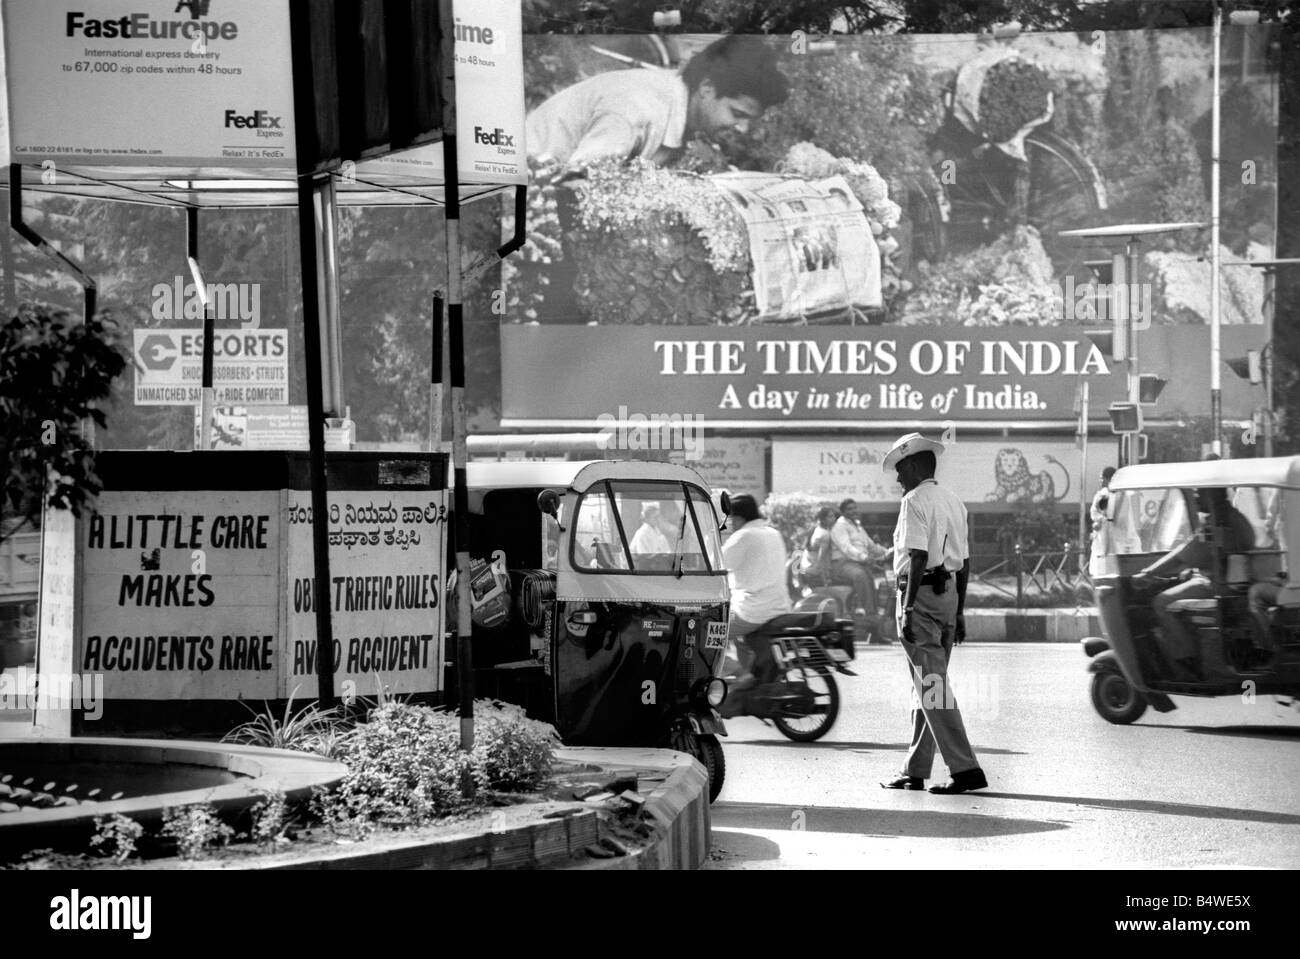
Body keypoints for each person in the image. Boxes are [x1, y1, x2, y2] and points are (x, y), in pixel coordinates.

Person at [878, 433, 987, 795]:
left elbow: (918, 556)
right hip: (949, 596)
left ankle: (965, 767)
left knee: (932, 686)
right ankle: (915, 768)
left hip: (920, 597)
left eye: (899, 470)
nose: (897, 479)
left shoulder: (913, 500)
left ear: (912, 466)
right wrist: (961, 612)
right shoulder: (954, 501)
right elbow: (967, 562)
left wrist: (907, 609)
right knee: (927, 685)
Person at [526, 35, 790, 175]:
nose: (742, 128)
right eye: (737, 114)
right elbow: (575, 186)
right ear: (707, 88)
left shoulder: (680, 104)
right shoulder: (636, 111)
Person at [1136, 487, 1255, 681]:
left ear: (1212, 494)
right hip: (1229, 582)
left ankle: (1189, 663)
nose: (1197, 497)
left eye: (1200, 492)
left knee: (1161, 603)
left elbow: (1181, 557)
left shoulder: (1215, 522)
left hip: (1216, 585)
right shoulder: (1236, 517)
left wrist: (1148, 573)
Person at [720, 493, 791, 690]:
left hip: (752, 611)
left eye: (731, 518)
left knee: (705, 636)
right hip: (778, 605)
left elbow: (716, 565)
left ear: (740, 518)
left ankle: (741, 676)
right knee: (741, 641)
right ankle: (751, 687)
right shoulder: (772, 533)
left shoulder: (743, 536)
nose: (730, 523)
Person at [830, 498, 890, 622]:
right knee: (860, 575)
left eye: (854, 508)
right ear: (842, 512)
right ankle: (869, 614)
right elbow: (846, 548)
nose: (853, 511)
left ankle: (874, 618)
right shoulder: (839, 526)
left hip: (857, 563)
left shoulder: (857, 525)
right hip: (841, 564)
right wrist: (864, 557)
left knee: (871, 577)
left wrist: (887, 552)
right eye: (849, 509)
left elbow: (870, 545)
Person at [798, 506, 837, 587]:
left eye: (834, 516)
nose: (834, 518)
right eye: (830, 516)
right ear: (823, 519)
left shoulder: (816, 529)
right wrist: (825, 580)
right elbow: (821, 559)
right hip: (815, 573)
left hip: (805, 568)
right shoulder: (825, 534)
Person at [1089, 467, 1117, 573]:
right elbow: (1094, 512)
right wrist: (1100, 520)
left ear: (1108, 479)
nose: (1100, 481)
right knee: (1100, 557)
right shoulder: (1101, 494)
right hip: (1102, 531)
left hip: (1115, 532)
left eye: (1102, 478)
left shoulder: (1119, 494)